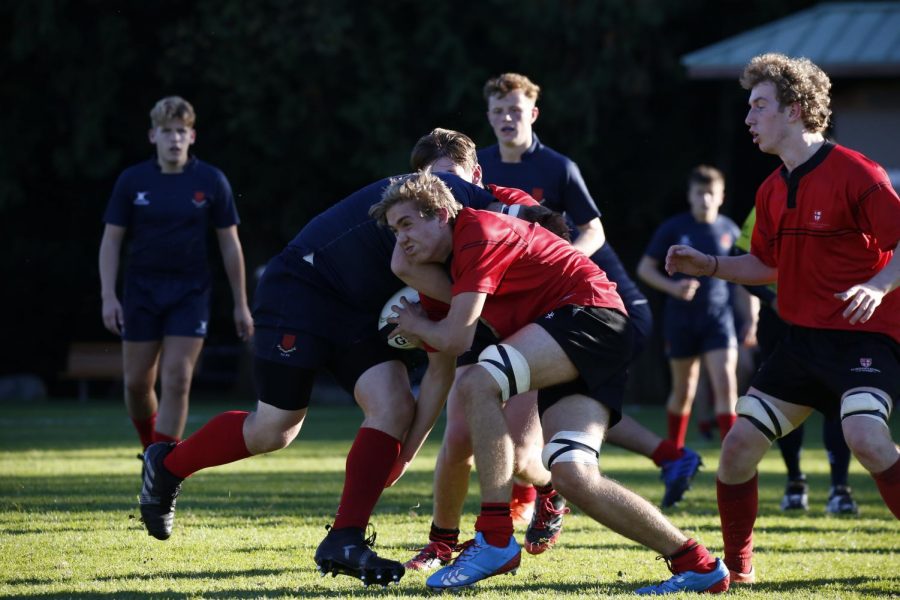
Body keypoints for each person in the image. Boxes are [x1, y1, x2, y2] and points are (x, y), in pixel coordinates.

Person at [135, 169, 536, 588]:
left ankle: (344, 540)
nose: (441, 182)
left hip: (354, 314)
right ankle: (166, 465)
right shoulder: (435, 213)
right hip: (301, 289)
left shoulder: (459, 239)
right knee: (274, 430)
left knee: (394, 405)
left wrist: (405, 454)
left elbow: (441, 369)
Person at [371, 170, 730, 595]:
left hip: (589, 315)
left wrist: (415, 322)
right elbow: (418, 287)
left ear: (441, 214)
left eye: (407, 224)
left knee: (477, 383)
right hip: (585, 331)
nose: (402, 240)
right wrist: (407, 268)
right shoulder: (452, 254)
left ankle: (495, 537)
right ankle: (698, 564)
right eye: (394, 230)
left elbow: (456, 338)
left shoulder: (476, 233)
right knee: (572, 476)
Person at [666, 53, 899, 585]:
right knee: (737, 449)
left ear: (794, 110)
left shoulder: (856, 172)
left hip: (865, 337)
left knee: (865, 437)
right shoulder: (772, 189)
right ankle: (739, 571)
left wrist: (879, 284)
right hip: (800, 343)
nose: (749, 118)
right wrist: (713, 265)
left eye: (759, 106)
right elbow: (765, 265)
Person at [477, 73, 701, 510]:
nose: (507, 118)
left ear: (533, 114)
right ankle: (669, 457)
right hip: (553, 307)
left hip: (605, 308)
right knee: (555, 402)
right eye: (499, 111)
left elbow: (594, 231)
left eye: (516, 111)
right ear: (487, 115)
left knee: (558, 404)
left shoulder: (558, 167)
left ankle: (535, 494)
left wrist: (556, 264)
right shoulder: (480, 169)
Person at [98, 96, 254, 451]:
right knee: (138, 383)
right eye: (166, 131)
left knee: (179, 379)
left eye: (180, 131)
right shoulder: (132, 180)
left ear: (192, 136)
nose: (174, 139)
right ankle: (148, 445)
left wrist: (241, 304)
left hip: (190, 292)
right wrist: (109, 295)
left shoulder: (211, 180)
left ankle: (160, 465)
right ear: (153, 136)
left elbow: (230, 245)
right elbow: (111, 241)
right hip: (141, 291)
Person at [735, 207, 858, 515]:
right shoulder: (770, 199)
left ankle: (840, 489)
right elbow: (743, 262)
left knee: (836, 402)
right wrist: (773, 298)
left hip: (828, 321)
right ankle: (794, 483)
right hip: (780, 323)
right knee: (780, 402)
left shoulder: (840, 195)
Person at [637, 165, 740, 447]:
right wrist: (673, 287)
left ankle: (731, 456)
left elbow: (746, 274)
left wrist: (751, 318)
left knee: (725, 382)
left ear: (721, 196)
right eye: (699, 193)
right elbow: (645, 269)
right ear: (690, 195)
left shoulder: (730, 230)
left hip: (719, 317)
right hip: (681, 318)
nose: (705, 199)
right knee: (685, 389)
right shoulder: (674, 228)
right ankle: (676, 453)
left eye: (711, 193)